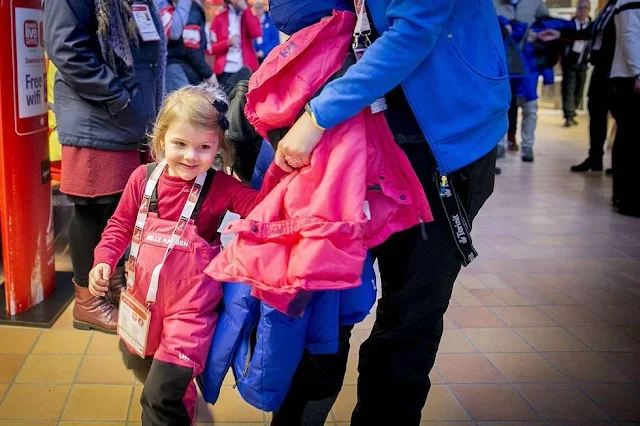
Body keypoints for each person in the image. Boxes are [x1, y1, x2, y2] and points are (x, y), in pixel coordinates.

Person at [264, 1, 510, 425]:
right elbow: (291, 11)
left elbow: (414, 31)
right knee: (321, 310)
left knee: (409, 321)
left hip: (439, 146)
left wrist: (317, 116)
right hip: (345, 151)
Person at [89, 84, 283, 425]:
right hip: (141, 304)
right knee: (148, 372)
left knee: (159, 396)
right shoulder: (142, 179)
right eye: (180, 144)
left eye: (204, 147)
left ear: (218, 148)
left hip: (191, 314)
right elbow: (119, 225)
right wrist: (104, 259)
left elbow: (265, 211)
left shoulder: (222, 189)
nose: (191, 156)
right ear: (161, 139)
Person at [44, 0, 165, 334]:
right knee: (92, 209)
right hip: (97, 118)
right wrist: (117, 96)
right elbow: (65, 47)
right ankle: (87, 303)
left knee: (117, 209)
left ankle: (108, 286)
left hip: (126, 119)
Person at [566, 0, 618, 172]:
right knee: (595, 112)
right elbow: (589, 32)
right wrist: (558, 33)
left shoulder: (624, 6)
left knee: (620, 116)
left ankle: (619, 165)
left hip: (616, 69)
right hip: (600, 68)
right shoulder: (606, 9)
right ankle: (595, 157)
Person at [494, 0, 549, 161]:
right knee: (499, 107)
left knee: (530, 107)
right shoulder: (493, 4)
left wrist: (538, 33)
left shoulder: (536, 3)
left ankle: (527, 146)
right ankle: (499, 145)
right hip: (502, 66)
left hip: (528, 65)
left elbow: (548, 24)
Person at [608, 0, 640, 216]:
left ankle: (623, 195)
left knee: (629, 139)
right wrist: (638, 71)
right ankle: (629, 199)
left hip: (630, 75)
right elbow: (629, 34)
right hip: (630, 77)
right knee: (632, 141)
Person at [209, 0, 261, 94]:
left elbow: (256, 32)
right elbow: (210, 49)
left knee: (246, 103)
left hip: (246, 68)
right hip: (225, 70)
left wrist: (245, 9)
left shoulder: (249, 15)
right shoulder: (219, 18)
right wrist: (227, 43)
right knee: (226, 102)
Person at [561, 0, 592, 127]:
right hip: (569, 63)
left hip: (583, 64)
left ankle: (573, 113)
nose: (583, 10)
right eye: (580, 8)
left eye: (585, 8)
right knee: (569, 89)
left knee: (579, 89)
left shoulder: (592, 26)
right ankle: (569, 115)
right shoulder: (570, 26)